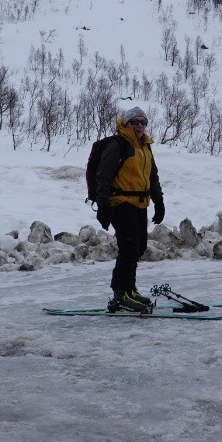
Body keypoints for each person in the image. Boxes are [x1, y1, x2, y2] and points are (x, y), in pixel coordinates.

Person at [93, 106, 165, 313]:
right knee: (129, 248)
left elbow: (153, 176)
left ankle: (129, 289)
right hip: (121, 203)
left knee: (139, 247)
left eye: (144, 122)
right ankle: (120, 295)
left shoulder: (145, 147)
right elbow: (103, 176)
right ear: (125, 124)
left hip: (140, 204)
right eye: (136, 122)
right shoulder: (118, 145)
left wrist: (159, 201)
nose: (140, 126)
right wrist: (103, 205)